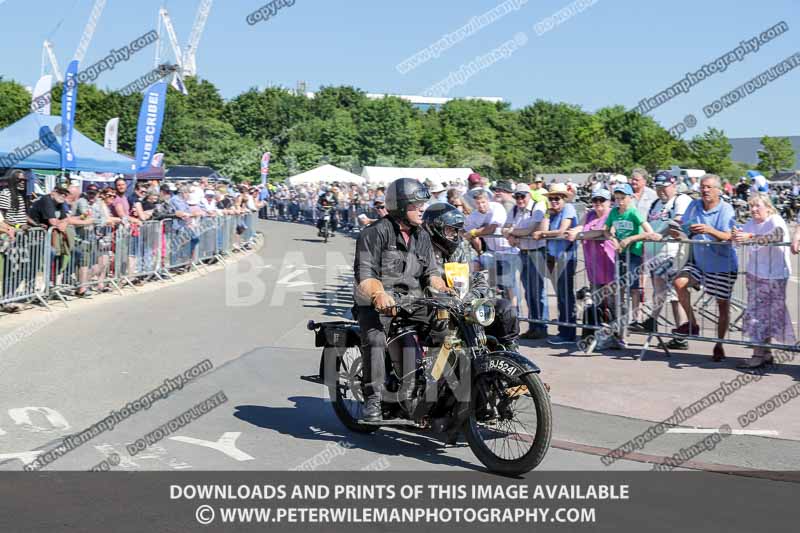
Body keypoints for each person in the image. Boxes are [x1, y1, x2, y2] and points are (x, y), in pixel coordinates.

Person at [353, 178, 450, 422]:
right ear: (400, 206)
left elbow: (432, 274)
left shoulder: (422, 235)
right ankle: (373, 399)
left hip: (414, 302)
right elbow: (365, 275)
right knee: (375, 338)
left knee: (448, 324)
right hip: (378, 303)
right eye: (416, 204)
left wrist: (446, 290)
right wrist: (379, 294)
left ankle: (432, 384)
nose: (422, 209)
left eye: (423, 204)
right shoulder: (374, 233)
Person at [422, 202, 520, 351]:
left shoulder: (460, 247)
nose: (454, 234)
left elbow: (476, 277)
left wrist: (471, 296)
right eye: (450, 230)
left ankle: (509, 354)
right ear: (435, 228)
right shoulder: (420, 251)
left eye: (456, 230)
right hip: (439, 311)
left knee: (505, 309)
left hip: (466, 305)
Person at [671, 174, 738, 362]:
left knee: (722, 305)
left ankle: (719, 344)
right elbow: (684, 226)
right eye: (702, 187)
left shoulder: (726, 209)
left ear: (718, 190)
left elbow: (729, 236)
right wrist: (679, 232)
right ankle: (692, 324)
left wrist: (709, 230)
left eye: (709, 187)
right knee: (679, 283)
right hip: (699, 262)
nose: (705, 190)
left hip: (722, 265)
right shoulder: (694, 205)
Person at [733, 193, 795, 368]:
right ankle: (765, 353)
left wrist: (751, 237)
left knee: (762, 316)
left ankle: (757, 355)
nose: (753, 210)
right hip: (755, 274)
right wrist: (736, 236)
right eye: (750, 206)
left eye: (757, 206)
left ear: (768, 207)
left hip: (774, 276)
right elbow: (740, 239)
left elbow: (776, 236)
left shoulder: (775, 220)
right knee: (758, 315)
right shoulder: (751, 223)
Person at [636, 172, 693, 349]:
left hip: (672, 253)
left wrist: (660, 235)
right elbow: (648, 224)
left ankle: (661, 323)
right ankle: (671, 328)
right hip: (655, 254)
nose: (661, 191)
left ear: (673, 185)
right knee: (666, 293)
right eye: (658, 187)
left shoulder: (680, 200)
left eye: (664, 187)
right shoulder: (655, 203)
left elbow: (677, 223)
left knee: (669, 290)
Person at [604, 183, 660, 329]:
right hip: (621, 253)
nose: (620, 201)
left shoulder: (634, 212)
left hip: (634, 252)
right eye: (617, 198)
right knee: (620, 285)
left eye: (623, 198)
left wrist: (630, 239)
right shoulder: (614, 212)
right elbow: (606, 230)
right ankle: (621, 316)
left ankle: (636, 318)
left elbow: (649, 231)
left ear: (629, 198)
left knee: (634, 286)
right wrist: (613, 239)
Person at [532, 183, 578, 345]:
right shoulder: (550, 213)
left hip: (566, 257)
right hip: (553, 257)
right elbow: (543, 231)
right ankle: (564, 330)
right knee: (561, 296)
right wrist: (546, 218)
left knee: (566, 296)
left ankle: (568, 333)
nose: (554, 201)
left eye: (557, 198)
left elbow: (560, 232)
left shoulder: (569, 209)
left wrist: (542, 233)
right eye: (551, 198)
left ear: (564, 198)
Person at [567, 188, 616, 334]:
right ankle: (599, 332)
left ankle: (615, 334)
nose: (598, 203)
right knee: (597, 300)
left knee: (612, 301)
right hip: (593, 265)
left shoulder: (612, 214)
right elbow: (579, 227)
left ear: (609, 202)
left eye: (602, 200)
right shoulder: (589, 214)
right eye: (595, 200)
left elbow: (604, 232)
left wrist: (581, 235)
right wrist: (572, 232)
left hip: (609, 262)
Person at [505, 183, 549, 339]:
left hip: (537, 252)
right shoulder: (515, 209)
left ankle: (541, 326)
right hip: (523, 252)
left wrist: (512, 232)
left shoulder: (538, 206)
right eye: (517, 196)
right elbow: (505, 228)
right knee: (529, 292)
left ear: (529, 195)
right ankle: (533, 325)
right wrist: (512, 233)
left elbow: (531, 229)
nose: (519, 199)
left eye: (522, 196)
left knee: (538, 291)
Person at [465, 190, 517, 300]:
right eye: (478, 203)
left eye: (483, 202)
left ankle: (513, 313)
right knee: (490, 282)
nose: (481, 205)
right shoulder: (474, 214)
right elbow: (464, 231)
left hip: (508, 250)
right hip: (492, 252)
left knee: (509, 285)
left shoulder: (497, 208)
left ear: (488, 200)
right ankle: (495, 307)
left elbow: (492, 229)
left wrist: (474, 232)